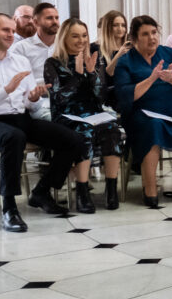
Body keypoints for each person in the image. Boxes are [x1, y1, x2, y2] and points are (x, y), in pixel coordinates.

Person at [0, 13, 84, 233]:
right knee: (13, 137)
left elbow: (29, 105)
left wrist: (33, 98)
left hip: (20, 118)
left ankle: (41, 191)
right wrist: (4, 91)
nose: (11, 35)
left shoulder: (20, 61)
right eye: (6, 30)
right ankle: (9, 208)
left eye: (13, 31)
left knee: (72, 138)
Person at [113, 15, 172, 209]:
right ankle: (149, 190)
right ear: (134, 38)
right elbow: (125, 95)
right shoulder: (126, 61)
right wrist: (151, 79)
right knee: (153, 125)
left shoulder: (170, 54)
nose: (152, 38)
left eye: (154, 33)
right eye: (145, 34)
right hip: (142, 111)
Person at [45, 18, 124, 213]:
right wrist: (78, 76)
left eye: (84, 36)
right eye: (75, 36)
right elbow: (59, 98)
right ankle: (82, 191)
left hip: (93, 112)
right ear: (64, 38)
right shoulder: (52, 63)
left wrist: (91, 73)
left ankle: (111, 189)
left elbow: (101, 97)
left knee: (112, 128)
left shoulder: (94, 59)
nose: (81, 40)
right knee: (84, 131)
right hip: (67, 115)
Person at [15, 2, 61, 120]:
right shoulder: (21, 48)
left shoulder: (63, 46)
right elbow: (19, 82)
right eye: (49, 18)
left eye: (56, 18)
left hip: (64, 98)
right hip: (38, 102)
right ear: (36, 22)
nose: (55, 21)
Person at [93, 10, 131, 77]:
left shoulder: (130, 47)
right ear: (107, 27)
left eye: (123, 25)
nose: (120, 29)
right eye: (115, 25)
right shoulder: (95, 48)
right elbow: (106, 75)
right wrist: (119, 54)